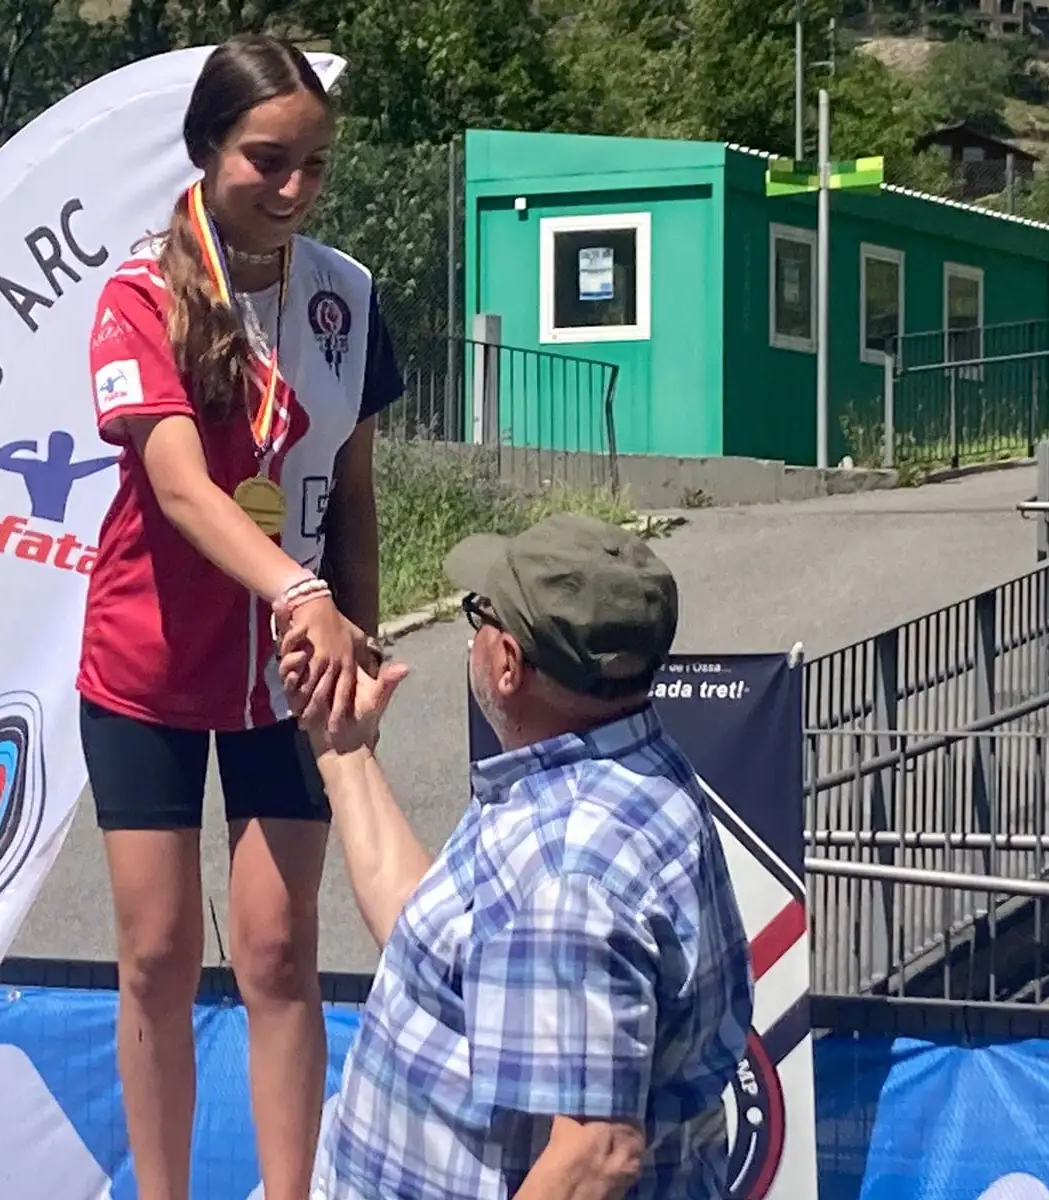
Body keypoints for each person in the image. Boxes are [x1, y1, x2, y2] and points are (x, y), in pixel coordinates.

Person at [75, 33, 405, 1200]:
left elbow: (353, 493)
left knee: (277, 948)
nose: (295, 188)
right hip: (150, 663)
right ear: (208, 150)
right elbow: (176, 487)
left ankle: (286, 1192)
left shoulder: (349, 296)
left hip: (294, 670)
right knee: (158, 958)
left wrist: (351, 630)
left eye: (315, 163)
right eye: (269, 161)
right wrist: (299, 589)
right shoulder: (135, 291)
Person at [278, 514, 756, 1200]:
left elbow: (597, 1153)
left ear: (506, 663)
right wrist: (342, 748)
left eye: (479, 615)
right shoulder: (613, 770)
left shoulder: (570, 869)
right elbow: (442, 950)